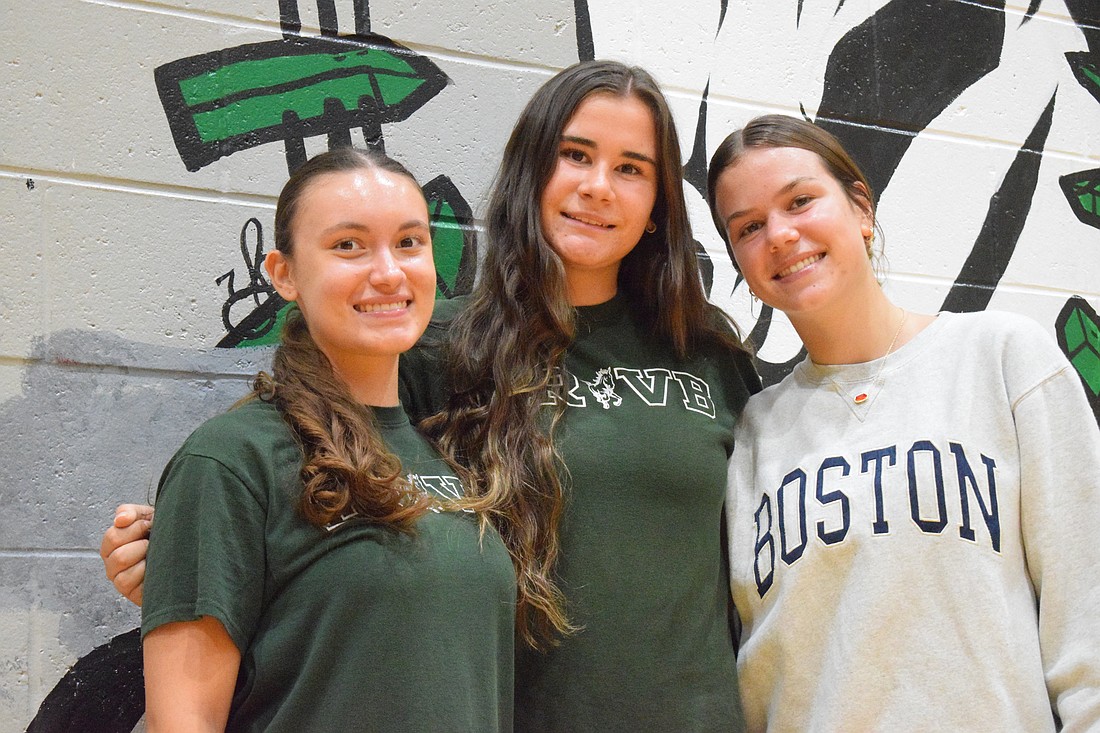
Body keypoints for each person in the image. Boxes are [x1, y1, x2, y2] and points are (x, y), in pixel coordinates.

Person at [103, 60, 761, 732]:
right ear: (533, 170)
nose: (598, 187)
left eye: (631, 168)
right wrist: (193, 554)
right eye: (575, 155)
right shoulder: (437, 345)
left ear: (659, 204)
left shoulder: (711, 356)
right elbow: (307, 465)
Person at [706, 114, 1100, 731]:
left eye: (801, 201)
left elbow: (1089, 624)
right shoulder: (751, 433)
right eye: (749, 227)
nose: (780, 235)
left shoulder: (1003, 360)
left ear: (861, 208)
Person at [138, 148, 516, 732]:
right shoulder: (232, 460)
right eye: (349, 246)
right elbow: (183, 721)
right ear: (283, 274)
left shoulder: (451, 457)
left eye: (410, 243)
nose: (389, 271)